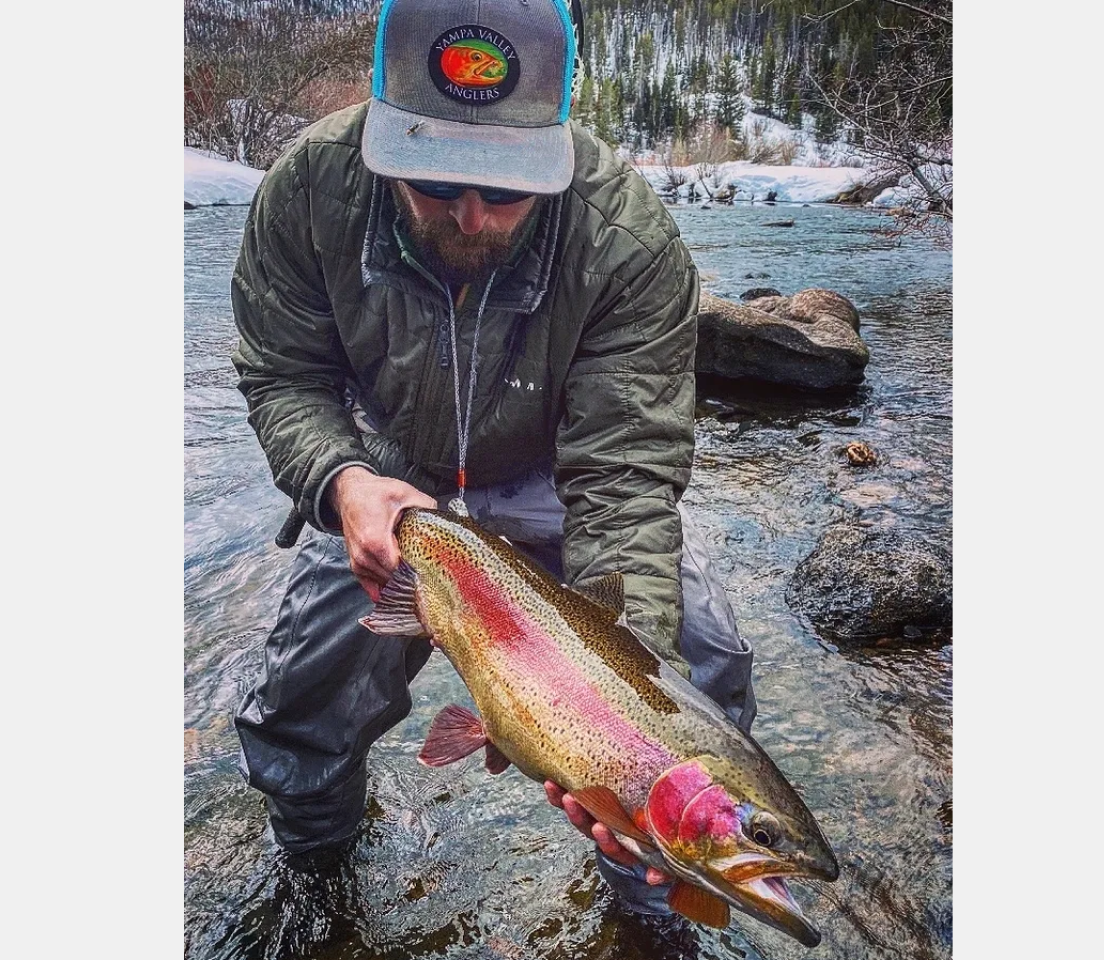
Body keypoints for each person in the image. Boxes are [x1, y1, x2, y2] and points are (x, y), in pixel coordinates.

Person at [230, 0, 757, 919]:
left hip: (561, 478)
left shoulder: (624, 238)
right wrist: (340, 480)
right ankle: (317, 887)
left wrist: (622, 723)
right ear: (380, 132)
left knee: (696, 676)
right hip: (390, 477)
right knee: (304, 698)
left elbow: (624, 474)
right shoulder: (310, 188)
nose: (473, 216)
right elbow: (284, 374)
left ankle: (651, 905)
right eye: (434, 183)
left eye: (509, 187)